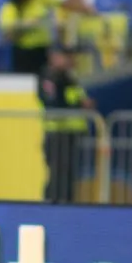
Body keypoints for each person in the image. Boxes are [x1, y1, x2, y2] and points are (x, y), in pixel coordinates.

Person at [38, 44, 93, 204]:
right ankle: (50, 207)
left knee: (69, 175)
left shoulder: (70, 78)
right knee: (57, 175)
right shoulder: (49, 77)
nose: (70, 60)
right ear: (53, 57)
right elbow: (53, 103)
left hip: (72, 134)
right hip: (57, 133)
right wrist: (80, 105)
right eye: (65, 56)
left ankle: (67, 206)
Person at [0, 0, 56, 76]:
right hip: (23, 48)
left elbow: (60, 2)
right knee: (24, 78)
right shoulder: (12, 7)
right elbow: (7, 25)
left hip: (42, 47)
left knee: (42, 77)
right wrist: (27, 24)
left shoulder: (39, 0)